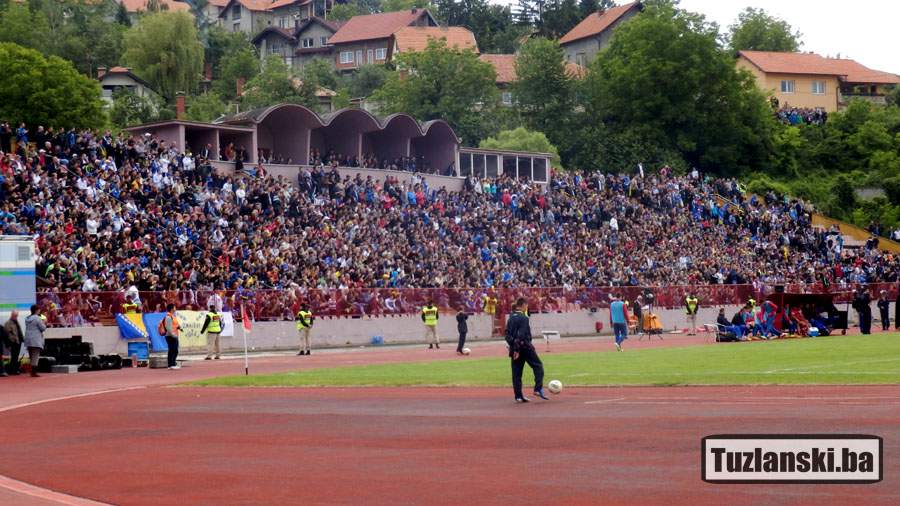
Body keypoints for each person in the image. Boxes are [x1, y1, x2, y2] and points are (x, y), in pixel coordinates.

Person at [505, 298, 546, 403]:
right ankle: (537, 388)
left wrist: (513, 347)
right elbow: (521, 335)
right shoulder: (524, 318)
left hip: (515, 348)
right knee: (538, 366)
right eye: (526, 305)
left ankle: (518, 396)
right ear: (523, 305)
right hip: (525, 348)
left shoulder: (510, 318)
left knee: (516, 373)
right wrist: (517, 349)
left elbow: (507, 335)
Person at [24, 305, 46, 377]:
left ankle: (32, 371)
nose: (39, 311)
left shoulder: (27, 318)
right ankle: (34, 371)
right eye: (39, 310)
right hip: (36, 339)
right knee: (35, 355)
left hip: (28, 339)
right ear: (36, 310)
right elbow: (43, 328)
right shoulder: (37, 318)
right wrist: (44, 322)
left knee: (31, 355)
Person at [163, 304, 181, 369]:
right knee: (172, 350)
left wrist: (178, 327)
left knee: (175, 350)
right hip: (170, 336)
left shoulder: (172, 316)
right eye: (174, 307)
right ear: (172, 309)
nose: (175, 308)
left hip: (174, 335)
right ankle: (171, 364)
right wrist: (172, 335)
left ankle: (173, 363)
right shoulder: (168, 317)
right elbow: (168, 327)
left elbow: (174, 325)